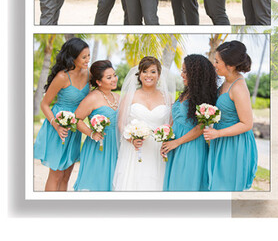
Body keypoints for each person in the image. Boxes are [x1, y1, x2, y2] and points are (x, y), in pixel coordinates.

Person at [33, 38, 90, 191]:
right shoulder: (62, 77)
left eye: (89, 56)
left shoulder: (88, 75)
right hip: (58, 127)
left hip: (75, 128)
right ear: (73, 57)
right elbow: (44, 104)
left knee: (66, 176)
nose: (87, 60)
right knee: (56, 175)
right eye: (84, 57)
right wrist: (56, 125)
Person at [203, 41, 259, 191]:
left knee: (226, 188)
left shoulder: (239, 87)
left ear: (231, 65)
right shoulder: (225, 82)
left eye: (217, 61)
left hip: (234, 144)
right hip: (220, 141)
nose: (214, 64)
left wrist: (218, 133)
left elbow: (247, 124)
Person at [113, 56, 174, 191]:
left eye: (153, 71)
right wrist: (131, 139)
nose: (149, 75)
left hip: (157, 149)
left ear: (159, 75)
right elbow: (121, 123)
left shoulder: (167, 97)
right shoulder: (130, 96)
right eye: (145, 71)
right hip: (135, 148)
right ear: (139, 74)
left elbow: (171, 125)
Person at [162, 54, 217, 191]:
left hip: (190, 147)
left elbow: (201, 127)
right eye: (182, 70)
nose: (181, 74)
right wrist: (167, 140)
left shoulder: (204, 96)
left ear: (196, 73)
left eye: (185, 71)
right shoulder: (186, 92)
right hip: (176, 145)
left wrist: (176, 142)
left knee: (183, 186)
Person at [73, 60, 120, 191]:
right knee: (95, 184)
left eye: (114, 75)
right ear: (99, 82)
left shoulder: (117, 97)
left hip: (116, 145)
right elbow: (76, 119)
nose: (114, 79)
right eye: (109, 77)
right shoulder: (92, 98)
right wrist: (91, 133)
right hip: (98, 147)